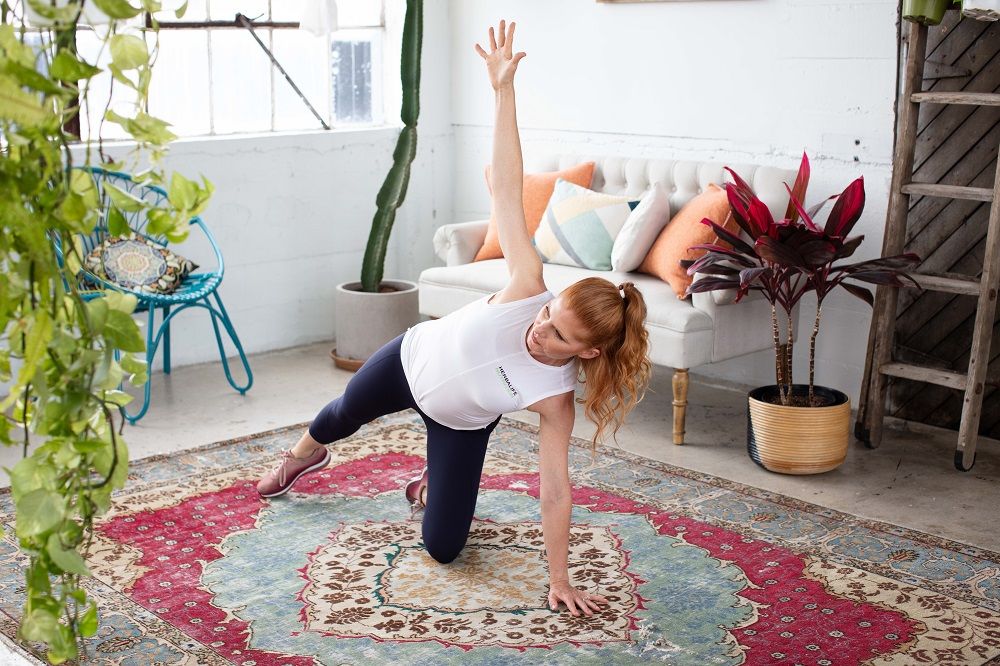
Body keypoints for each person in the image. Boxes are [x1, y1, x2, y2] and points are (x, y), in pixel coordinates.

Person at [257, 19, 651, 618]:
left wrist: (561, 578)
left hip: (461, 423)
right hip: (409, 361)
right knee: (340, 415)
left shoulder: (555, 397)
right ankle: (302, 456)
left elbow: (554, 491)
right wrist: (502, 91)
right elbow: (507, 187)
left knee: (443, 549)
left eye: (557, 335)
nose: (539, 328)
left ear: (587, 353)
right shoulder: (525, 285)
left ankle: (428, 484)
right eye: (548, 314)